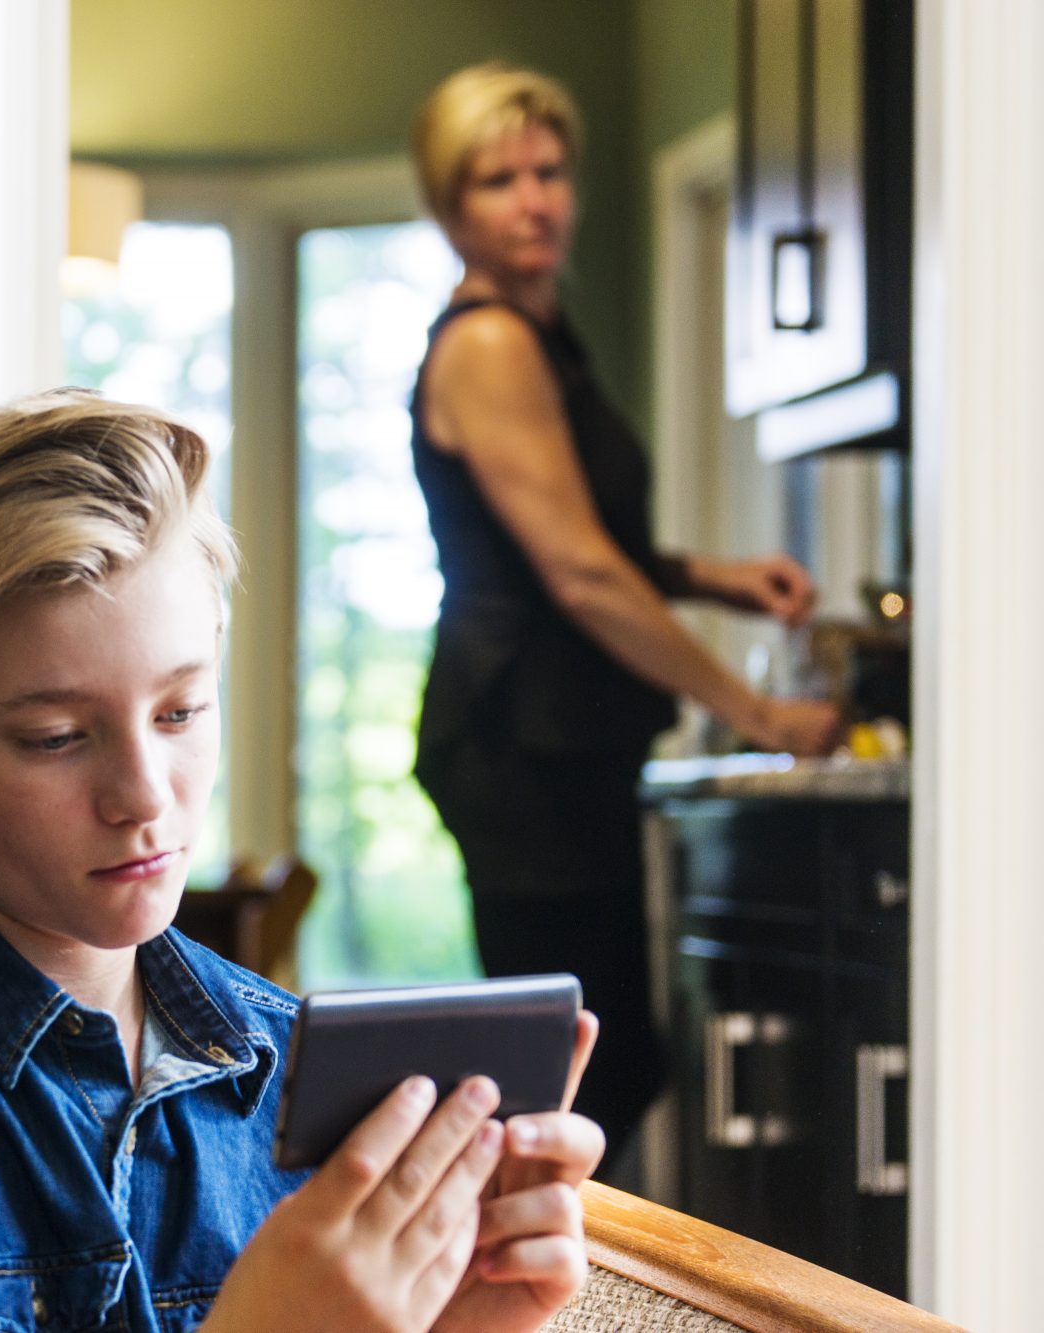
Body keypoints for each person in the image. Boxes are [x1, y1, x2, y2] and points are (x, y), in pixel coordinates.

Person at [0, 393, 606, 1333]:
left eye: (179, 713)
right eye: (56, 736)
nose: (146, 795)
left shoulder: (297, 1068)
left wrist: (455, 1327)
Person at [405, 63, 842, 1161]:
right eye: (497, 179)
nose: (534, 198)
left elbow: (586, 538)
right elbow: (578, 574)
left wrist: (713, 573)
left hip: (553, 736)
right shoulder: (490, 343)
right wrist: (755, 711)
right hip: (522, 745)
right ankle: (540, 1302)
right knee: (568, 1073)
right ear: (451, 208)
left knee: (592, 1059)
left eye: (548, 171)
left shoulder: (540, 335)